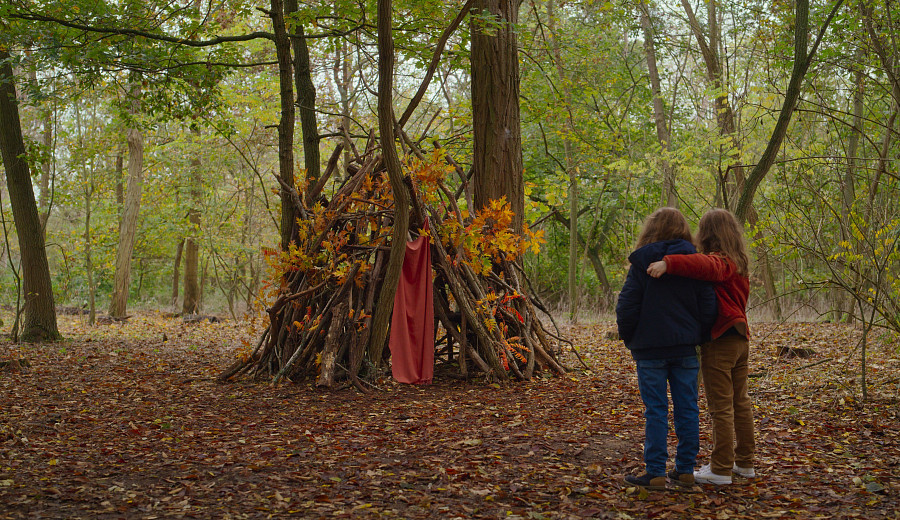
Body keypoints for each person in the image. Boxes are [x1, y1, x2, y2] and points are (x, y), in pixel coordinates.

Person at [646, 208, 755, 485]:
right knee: (740, 403)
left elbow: (705, 266)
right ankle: (744, 463)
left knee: (722, 407)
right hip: (740, 339)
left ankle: (720, 469)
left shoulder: (721, 262)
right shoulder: (738, 262)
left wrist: (668, 263)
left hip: (722, 341)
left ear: (708, 234)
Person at [617, 208, 717, 490]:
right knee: (687, 407)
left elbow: (626, 306)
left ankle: (656, 472)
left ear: (651, 230)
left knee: (656, 410)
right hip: (685, 348)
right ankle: (685, 470)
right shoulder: (695, 264)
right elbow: (708, 305)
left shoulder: (642, 264)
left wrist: (631, 338)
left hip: (650, 350)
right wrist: (698, 335)